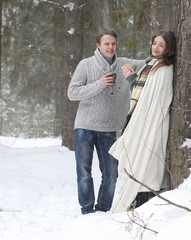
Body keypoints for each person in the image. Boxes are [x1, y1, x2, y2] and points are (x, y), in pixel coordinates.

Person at [68, 28, 144, 214]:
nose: (110, 47)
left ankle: (102, 210)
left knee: (111, 174)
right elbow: (72, 93)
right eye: (106, 44)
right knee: (84, 172)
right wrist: (100, 83)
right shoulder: (85, 65)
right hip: (85, 126)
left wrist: (164, 55)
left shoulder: (125, 64)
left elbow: (148, 64)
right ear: (98, 45)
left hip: (109, 128)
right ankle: (87, 210)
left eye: (113, 43)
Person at [108, 30, 177, 213]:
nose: (156, 47)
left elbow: (154, 103)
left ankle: (139, 205)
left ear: (168, 48)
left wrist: (139, 126)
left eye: (161, 45)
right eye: (154, 43)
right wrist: (132, 78)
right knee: (130, 162)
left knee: (143, 164)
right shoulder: (151, 65)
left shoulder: (163, 69)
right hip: (139, 120)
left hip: (149, 125)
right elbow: (143, 96)